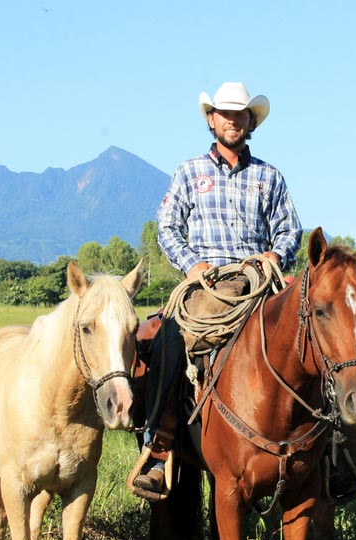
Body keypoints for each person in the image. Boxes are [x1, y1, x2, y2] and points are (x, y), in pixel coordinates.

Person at [133, 82, 302, 495]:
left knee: (314, 330)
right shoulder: (189, 172)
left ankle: (331, 452)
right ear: (211, 119)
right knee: (172, 337)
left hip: (260, 279)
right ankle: (160, 447)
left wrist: (275, 257)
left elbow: (290, 229)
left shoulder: (269, 176)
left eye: (239, 113)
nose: (232, 120)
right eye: (224, 113)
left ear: (250, 122)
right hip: (208, 284)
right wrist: (193, 265)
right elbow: (168, 227)